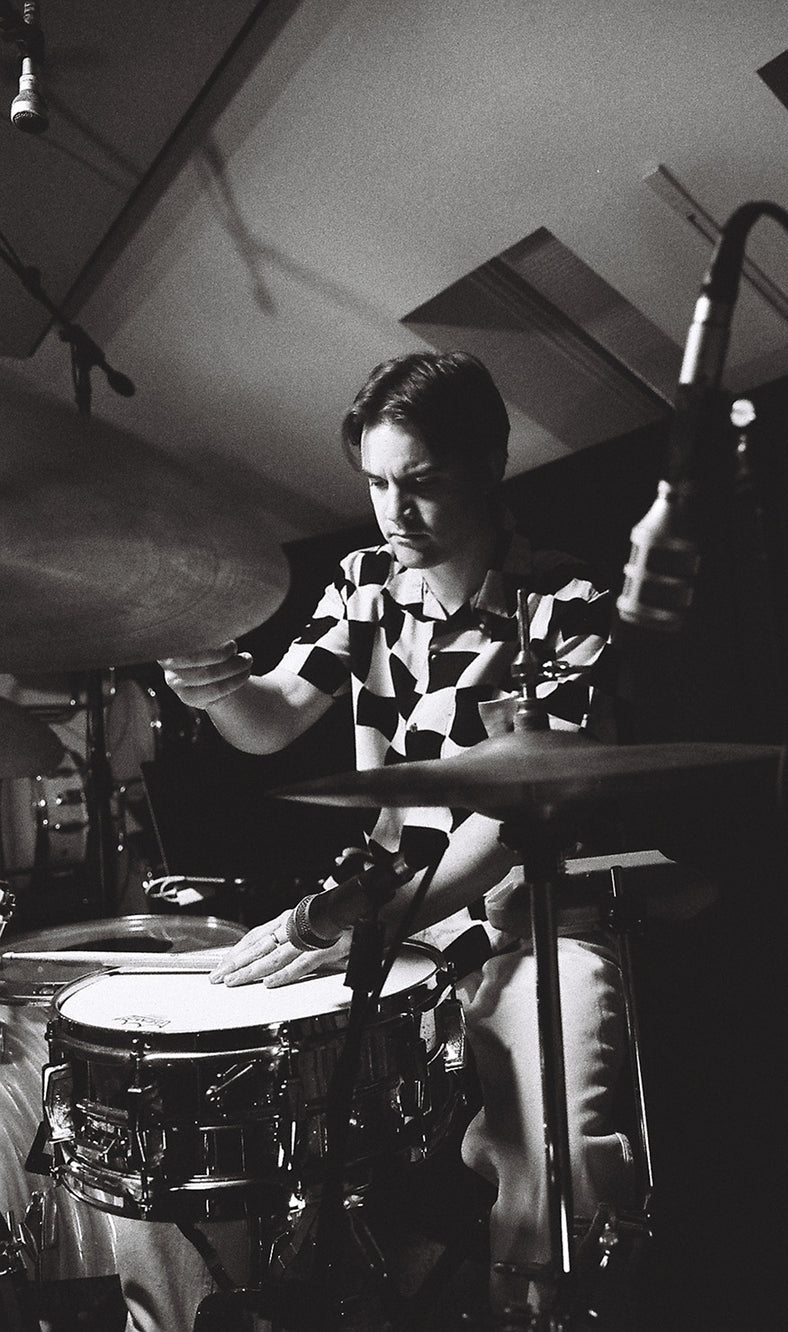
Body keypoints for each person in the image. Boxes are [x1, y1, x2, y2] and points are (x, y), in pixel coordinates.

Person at [159, 351, 634, 1320]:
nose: (393, 512)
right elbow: (275, 714)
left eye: (419, 483)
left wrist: (350, 916)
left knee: (560, 1163)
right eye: (376, 484)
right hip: (391, 918)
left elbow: (510, 824)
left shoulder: (566, 607)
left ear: (492, 463)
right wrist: (217, 692)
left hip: (527, 924)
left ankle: (533, 1297)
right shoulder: (366, 585)